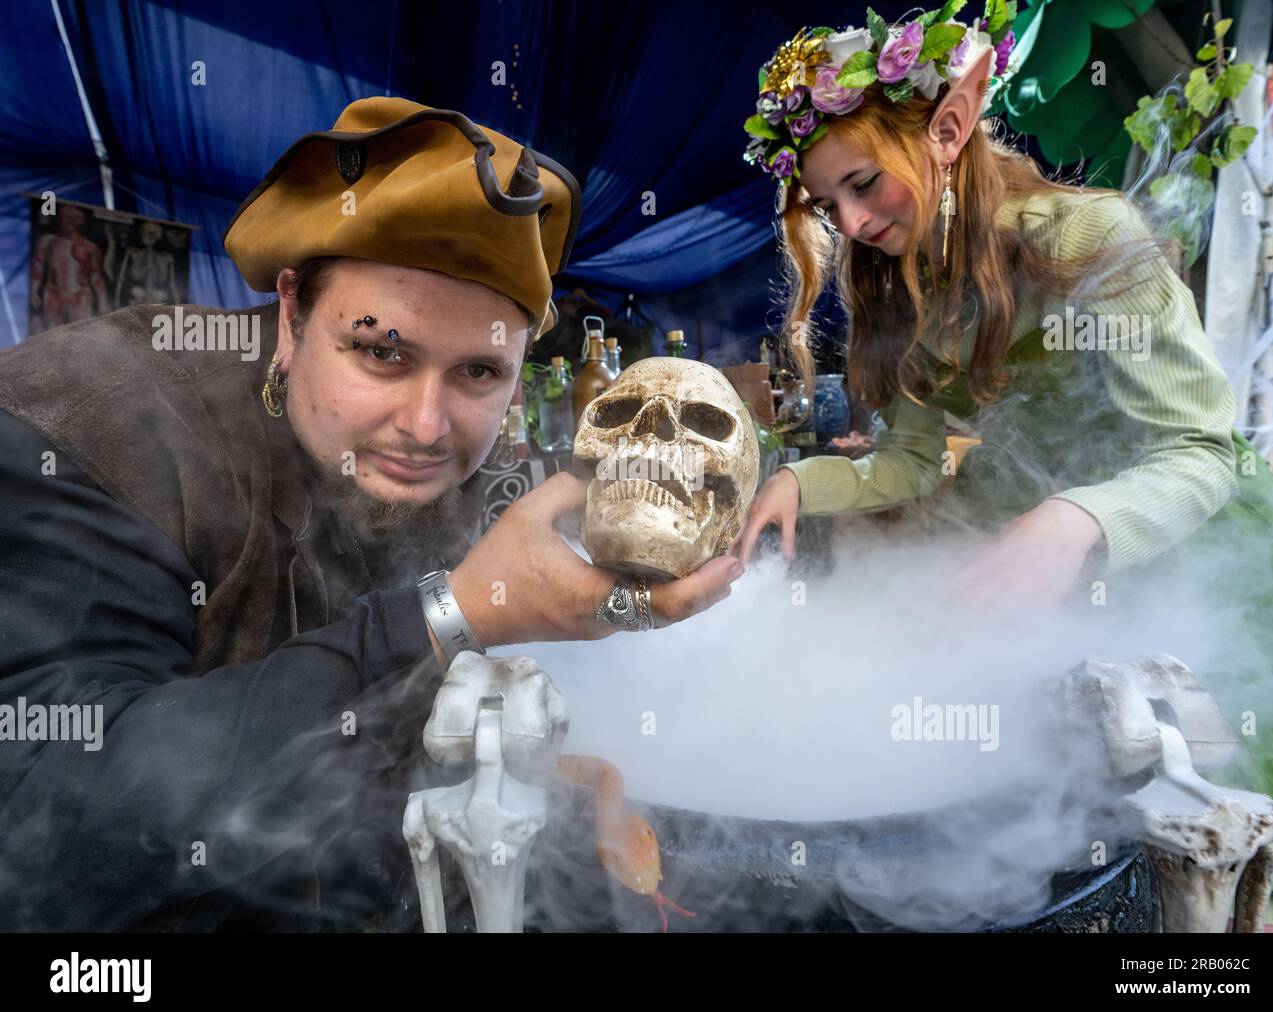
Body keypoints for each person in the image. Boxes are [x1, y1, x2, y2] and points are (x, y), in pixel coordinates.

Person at [0, 97, 741, 931]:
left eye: (478, 374)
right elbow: (44, 824)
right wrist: (453, 610)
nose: (427, 427)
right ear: (291, 315)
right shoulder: (91, 423)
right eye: (382, 351)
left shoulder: (480, 463)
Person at [732, 13, 1273, 922]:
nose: (851, 223)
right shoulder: (910, 290)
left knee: (1234, 863)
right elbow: (910, 464)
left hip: (1196, 540)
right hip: (1063, 553)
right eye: (828, 203)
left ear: (949, 131)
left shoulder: (1089, 236)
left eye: (866, 184)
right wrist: (800, 481)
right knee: (1109, 832)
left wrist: (1075, 521)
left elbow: (1198, 453)